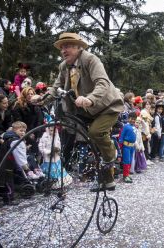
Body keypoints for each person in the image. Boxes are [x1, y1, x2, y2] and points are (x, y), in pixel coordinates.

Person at [34, 32, 124, 191]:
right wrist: (42, 99)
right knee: (93, 144)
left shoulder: (90, 59)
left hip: (106, 106)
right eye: (61, 47)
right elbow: (56, 88)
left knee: (96, 133)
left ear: (78, 47)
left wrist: (90, 98)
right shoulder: (64, 66)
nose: (63, 50)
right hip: (84, 110)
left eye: (67, 46)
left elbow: (102, 82)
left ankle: (112, 155)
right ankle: (107, 181)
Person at [119, 112, 137, 183]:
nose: (133, 120)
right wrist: (120, 147)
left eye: (134, 119)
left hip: (132, 146)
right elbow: (121, 137)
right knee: (126, 161)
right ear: (128, 118)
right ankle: (125, 175)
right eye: (132, 119)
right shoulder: (126, 126)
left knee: (129, 160)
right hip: (126, 146)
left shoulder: (134, 126)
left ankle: (127, 174)